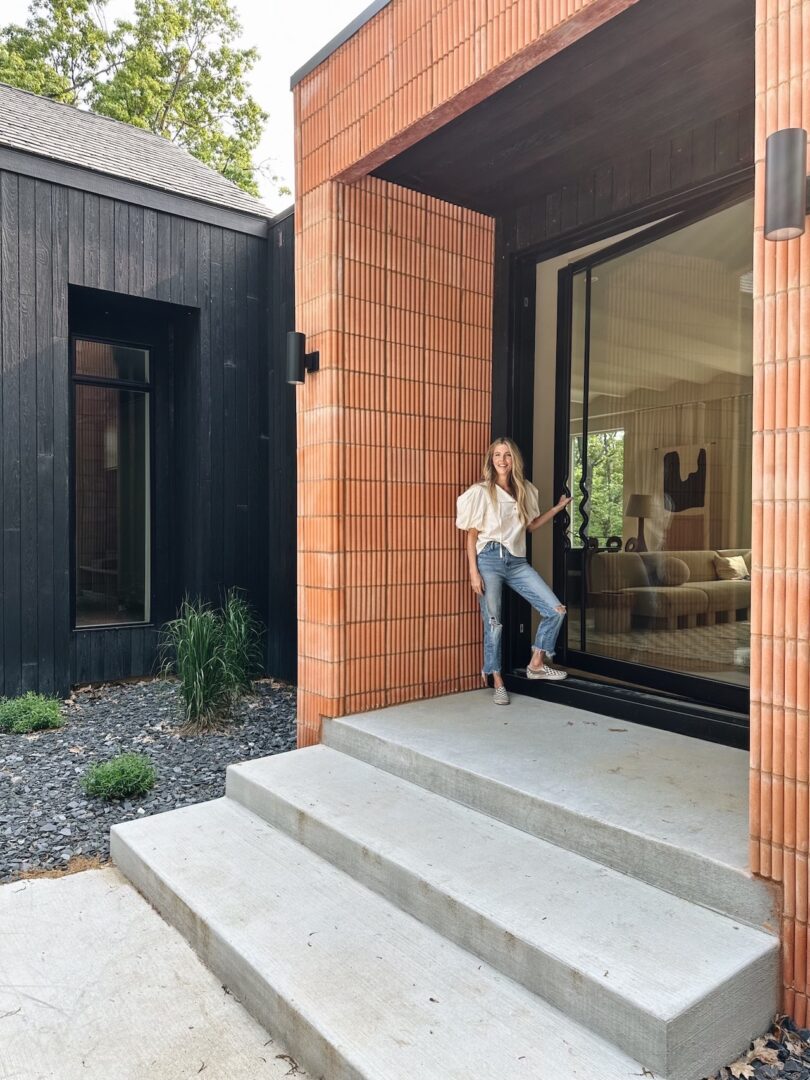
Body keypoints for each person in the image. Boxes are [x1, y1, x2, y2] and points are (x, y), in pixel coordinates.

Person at [456, 437, 572, 705]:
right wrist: (473, 572)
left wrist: (556, 509)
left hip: (517, 562)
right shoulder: (482, 492)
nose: (502, 460)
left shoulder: (525, 491)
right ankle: (497, 681)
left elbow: (529, 527)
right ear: (491, 459)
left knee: (555, 610)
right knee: (494, 624)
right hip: (489, 560)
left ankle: (536, 663)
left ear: (514, 460)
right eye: (497, 455)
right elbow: (471, 535)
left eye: (507, 455)